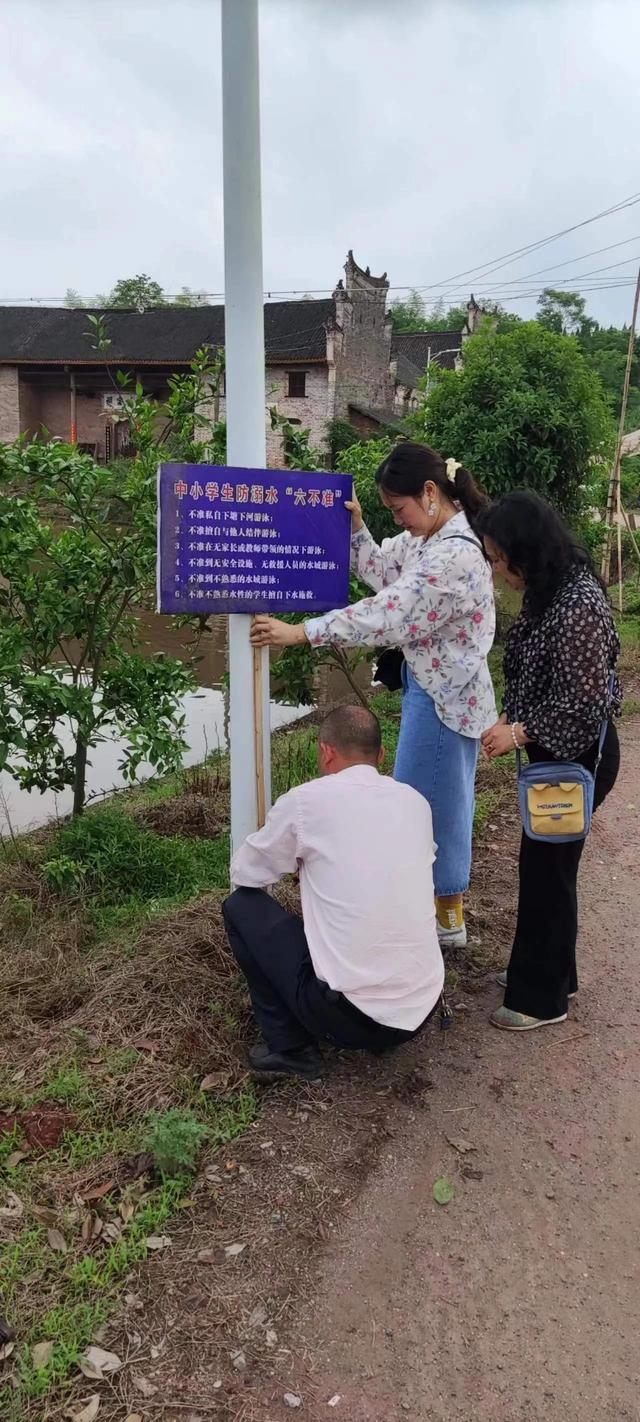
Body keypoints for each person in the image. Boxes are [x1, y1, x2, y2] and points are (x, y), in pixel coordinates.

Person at [250, 441, 496, 952]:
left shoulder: (452, 555)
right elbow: (385, 573)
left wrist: (302, 633)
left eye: (398, 509)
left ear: (430, 493)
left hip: (443, 701)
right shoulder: (429, 540)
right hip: (440, 692)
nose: (399, 520)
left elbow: (389, 611)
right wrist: (359, 528)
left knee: (420, 812)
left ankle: (434, 922)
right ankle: (440, 916)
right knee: (441, 805)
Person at [222, 704, 445, 1081]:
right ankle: (378, 1030)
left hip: (351, 1020)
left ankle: (291, 1049)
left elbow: (247, 872)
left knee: (241, 907)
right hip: (420, 1010)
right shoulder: (415, 802)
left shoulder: (307, 802)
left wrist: (300, 861)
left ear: (325, 752)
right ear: (381, 756)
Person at [479, 491, 621, 1032]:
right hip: (556, 755)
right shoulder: (550, 589)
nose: (495, 570)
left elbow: (583, 704)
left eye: (497, 558)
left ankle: (541, 999)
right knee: (546, 868)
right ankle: (552, 970)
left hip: (578, 758)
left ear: (526, 551)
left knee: (547, 871)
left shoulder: (577, 605)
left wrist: (517, 731)